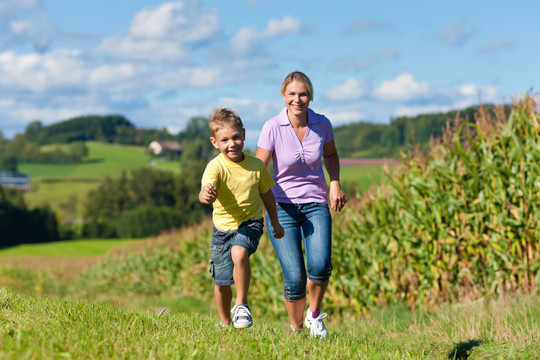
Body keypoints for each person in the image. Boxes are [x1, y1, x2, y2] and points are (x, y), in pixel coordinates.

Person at [255, 71, 347, 337]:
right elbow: (260, 168)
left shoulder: (322, 124)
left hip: (315, 204)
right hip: (281, 208)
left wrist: (335, 182)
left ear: (310, 96)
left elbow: (330, 155)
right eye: (292, 94)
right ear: (284, 96)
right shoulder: (272, 127)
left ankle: (314, 315)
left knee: (320, 265)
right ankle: (296, 332)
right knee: (294, 278)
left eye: (303, 94)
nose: (298, 99)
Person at [199, 107, 284, 329]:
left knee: (239, 252)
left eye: (236, 137)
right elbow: (203, 192)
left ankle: (242, 305)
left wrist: (275, 222)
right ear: (214, 142)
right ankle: (225, 323)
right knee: (221, 281)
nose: (232, 144)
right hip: (222, 229)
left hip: (251, 223)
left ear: (244, 135)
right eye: (224, 140)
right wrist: (206, 195)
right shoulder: (215, 167)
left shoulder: (256, 166)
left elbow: (267, 195)